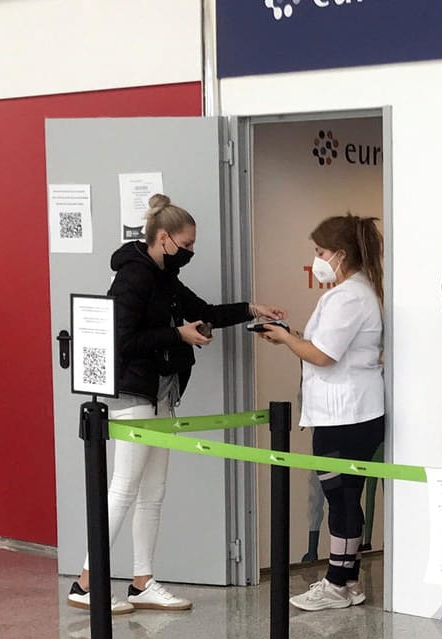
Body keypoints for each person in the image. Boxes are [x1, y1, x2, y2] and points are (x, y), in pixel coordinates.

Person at [68, 194, 284, 615]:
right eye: (185, 246)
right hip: (134, 392)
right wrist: (177, 336)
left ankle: (142, 581)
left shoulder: (164, 275)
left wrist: (253, 309)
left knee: (153, 491)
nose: (189, 253)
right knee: (124, 487)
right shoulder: (133, 276)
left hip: (163, 391)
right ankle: (86, 582)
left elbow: (201, 310)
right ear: (164, 238)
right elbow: (122, 340)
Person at [261, 214, 386, 611]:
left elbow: (324, 355)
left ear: (341, 254)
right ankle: (347, 581)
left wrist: (285, 339)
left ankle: (336, 580)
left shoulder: (349, 296)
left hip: (345, 414)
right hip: (349, 410)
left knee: (340, 496)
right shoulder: (354, 292)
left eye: (320, 252)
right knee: (346, 495)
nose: (316, 259)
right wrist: (292, 336)